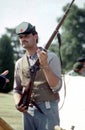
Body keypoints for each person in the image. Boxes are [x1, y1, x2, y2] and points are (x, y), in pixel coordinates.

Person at [13, 21, 62, 130]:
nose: (23, 39)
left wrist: (45, 65)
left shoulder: (51, 57)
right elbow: (17, 89)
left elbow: (56, 87)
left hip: (48, 109)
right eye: (21, 37)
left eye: (26, 35)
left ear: (35, 36)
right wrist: (18, 104)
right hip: (27, 111)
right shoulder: (19, 63)